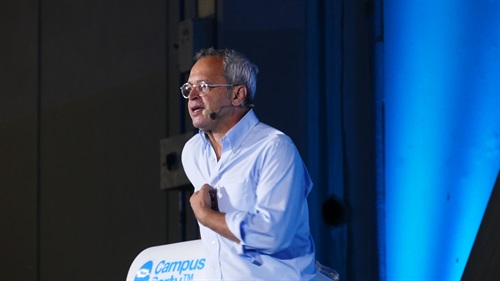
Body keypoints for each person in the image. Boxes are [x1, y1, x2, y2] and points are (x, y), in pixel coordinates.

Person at [181, 48, 317, 280]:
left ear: (237, 95)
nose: (192, 95)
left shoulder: (274, 148)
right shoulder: (192, 152)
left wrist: (205, 216)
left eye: (203, 86)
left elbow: (274, 234)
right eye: (188, 88)